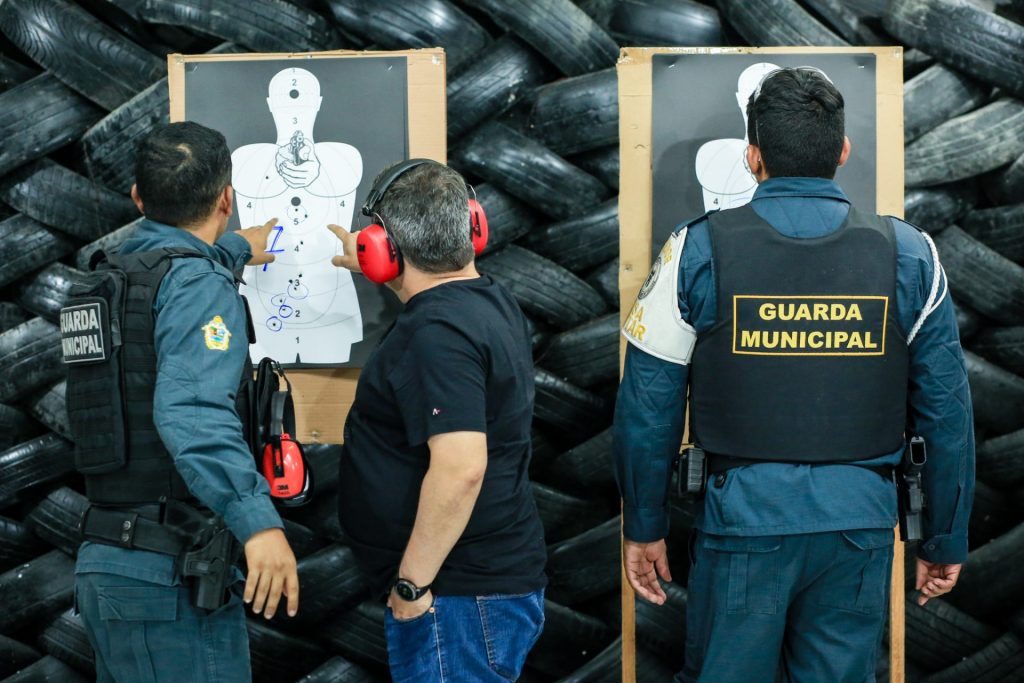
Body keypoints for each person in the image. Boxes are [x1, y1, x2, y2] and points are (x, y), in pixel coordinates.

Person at [615, 68, 975, 682]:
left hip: (744, 525)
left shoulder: (695, 250)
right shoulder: (911, 254)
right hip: (859, 528)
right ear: (842, 152)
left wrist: (644, 525)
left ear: (752, 156)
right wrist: (945, 538)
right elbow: (947, 409)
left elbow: (648, 405)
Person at [68, 122, 300, 682]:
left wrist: (237, 247)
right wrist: (258, 523)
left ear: (138, 199)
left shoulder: (110, 280)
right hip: (166, 575)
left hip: (110, 562)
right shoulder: (197, 285)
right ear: (227, 197)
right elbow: (190, 411)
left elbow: (168, 290)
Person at [327, 159, 548, 683]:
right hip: (478, 587)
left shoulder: (438, 333)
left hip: (456, 596)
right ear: (472, 225)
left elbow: (461, 468)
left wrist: (411, 588)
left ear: (383, 250)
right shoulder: (485, 300)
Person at [233, 66, 364, 364]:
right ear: (270, 103)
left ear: (317, 102)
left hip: (331, 303)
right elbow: (251, 180)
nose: (294, 107)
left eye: (300, 97)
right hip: (263, 305)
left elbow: (341, 177)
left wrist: (314, 170)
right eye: (287, 97)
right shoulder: (248, 159)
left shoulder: (341, 157)